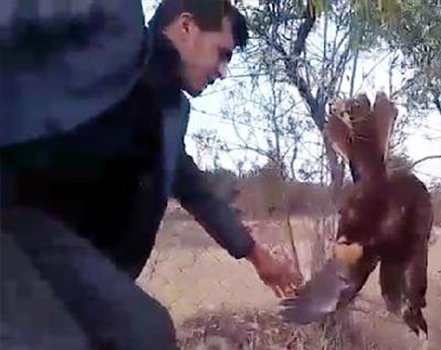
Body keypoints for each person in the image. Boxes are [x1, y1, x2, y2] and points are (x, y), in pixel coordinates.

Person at [0, 0, 302, 348]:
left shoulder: (172, 111)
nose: (222, 72)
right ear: (186, 27)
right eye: (222, 53)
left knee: (146, 333)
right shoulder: (107, 32)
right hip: (13, 220)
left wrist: (255, 254)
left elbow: (194, 189)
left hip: (58, 252)